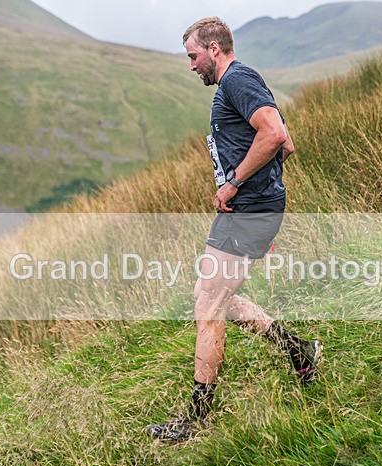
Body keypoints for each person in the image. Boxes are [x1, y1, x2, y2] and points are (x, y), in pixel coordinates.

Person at [145, 17, 322, 442]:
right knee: (210, 298)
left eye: (193, 56)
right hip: (251, 211)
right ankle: (298, 349)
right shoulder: (243, 82)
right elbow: (285, 142)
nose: (191, 66)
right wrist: (266, 197)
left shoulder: (236, 81)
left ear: (214, 49)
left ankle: (196, 420)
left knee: (208, 304)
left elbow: (277, 133)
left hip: (246, 211)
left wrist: (237, 183)